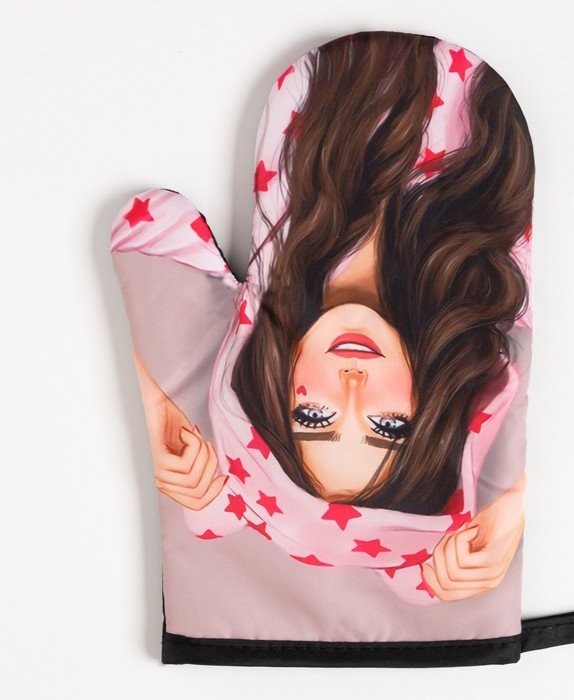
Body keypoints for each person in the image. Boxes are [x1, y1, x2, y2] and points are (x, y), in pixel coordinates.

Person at [113, 31, 533, 605]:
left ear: (277, 388)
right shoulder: (494, 280)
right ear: (428, 402)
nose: (352, 388)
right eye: (388, 427)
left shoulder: (281, 236)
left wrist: (162, 400)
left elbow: (146, 225)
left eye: (314, 416)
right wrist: (513, 502)